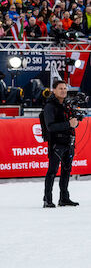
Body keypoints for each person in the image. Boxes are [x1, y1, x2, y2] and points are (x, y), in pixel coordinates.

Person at [42, 80, 80, 208]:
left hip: (68, 142)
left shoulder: (66, 105)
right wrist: (69, 124)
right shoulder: (50, 106)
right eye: (60, 88)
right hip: (56, 144)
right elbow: (50, 126)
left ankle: (64, 198)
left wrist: (75, 121)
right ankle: (47, 199)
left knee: (66, 170)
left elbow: (72, 121)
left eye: (65, 88)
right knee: (52, 171)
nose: (63, 90)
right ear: (54, 90)